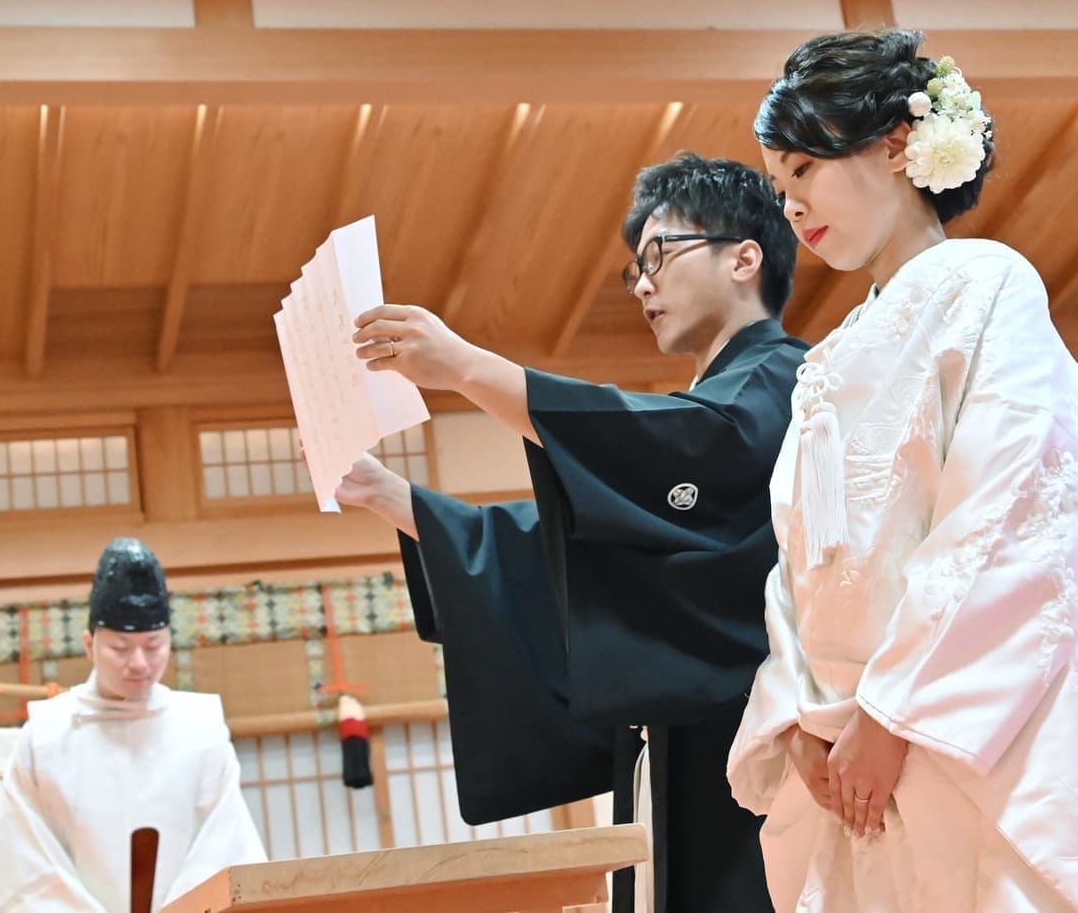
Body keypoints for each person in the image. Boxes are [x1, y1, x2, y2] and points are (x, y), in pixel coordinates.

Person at [725, 29, 1078, 911]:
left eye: (805, 170)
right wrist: (798, 716)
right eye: (779, 186)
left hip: (968, 722)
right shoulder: (827, 356)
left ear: (897, 145)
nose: (789, 206)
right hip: (848, 733)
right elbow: (800, 558)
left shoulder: (987, 284)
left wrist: (896, 711)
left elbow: (1011, 511)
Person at [337, 153, 806, 912]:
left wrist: (466, 368)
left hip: (764, 754)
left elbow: (688, 446)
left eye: (659, 255)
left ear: (743, 257)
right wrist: (396, 499)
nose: (643, 283)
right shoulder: (717, 402)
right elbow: (563, 545)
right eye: (634, 270)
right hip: (678, 747)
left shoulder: (788, 382)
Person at [0, 538, 266, 912]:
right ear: (89, 644)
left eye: (153, 646)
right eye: (120, 647)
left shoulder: (201, 727)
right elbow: (24, 866)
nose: (139, 663)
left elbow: (224, 847)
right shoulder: (46, 735)